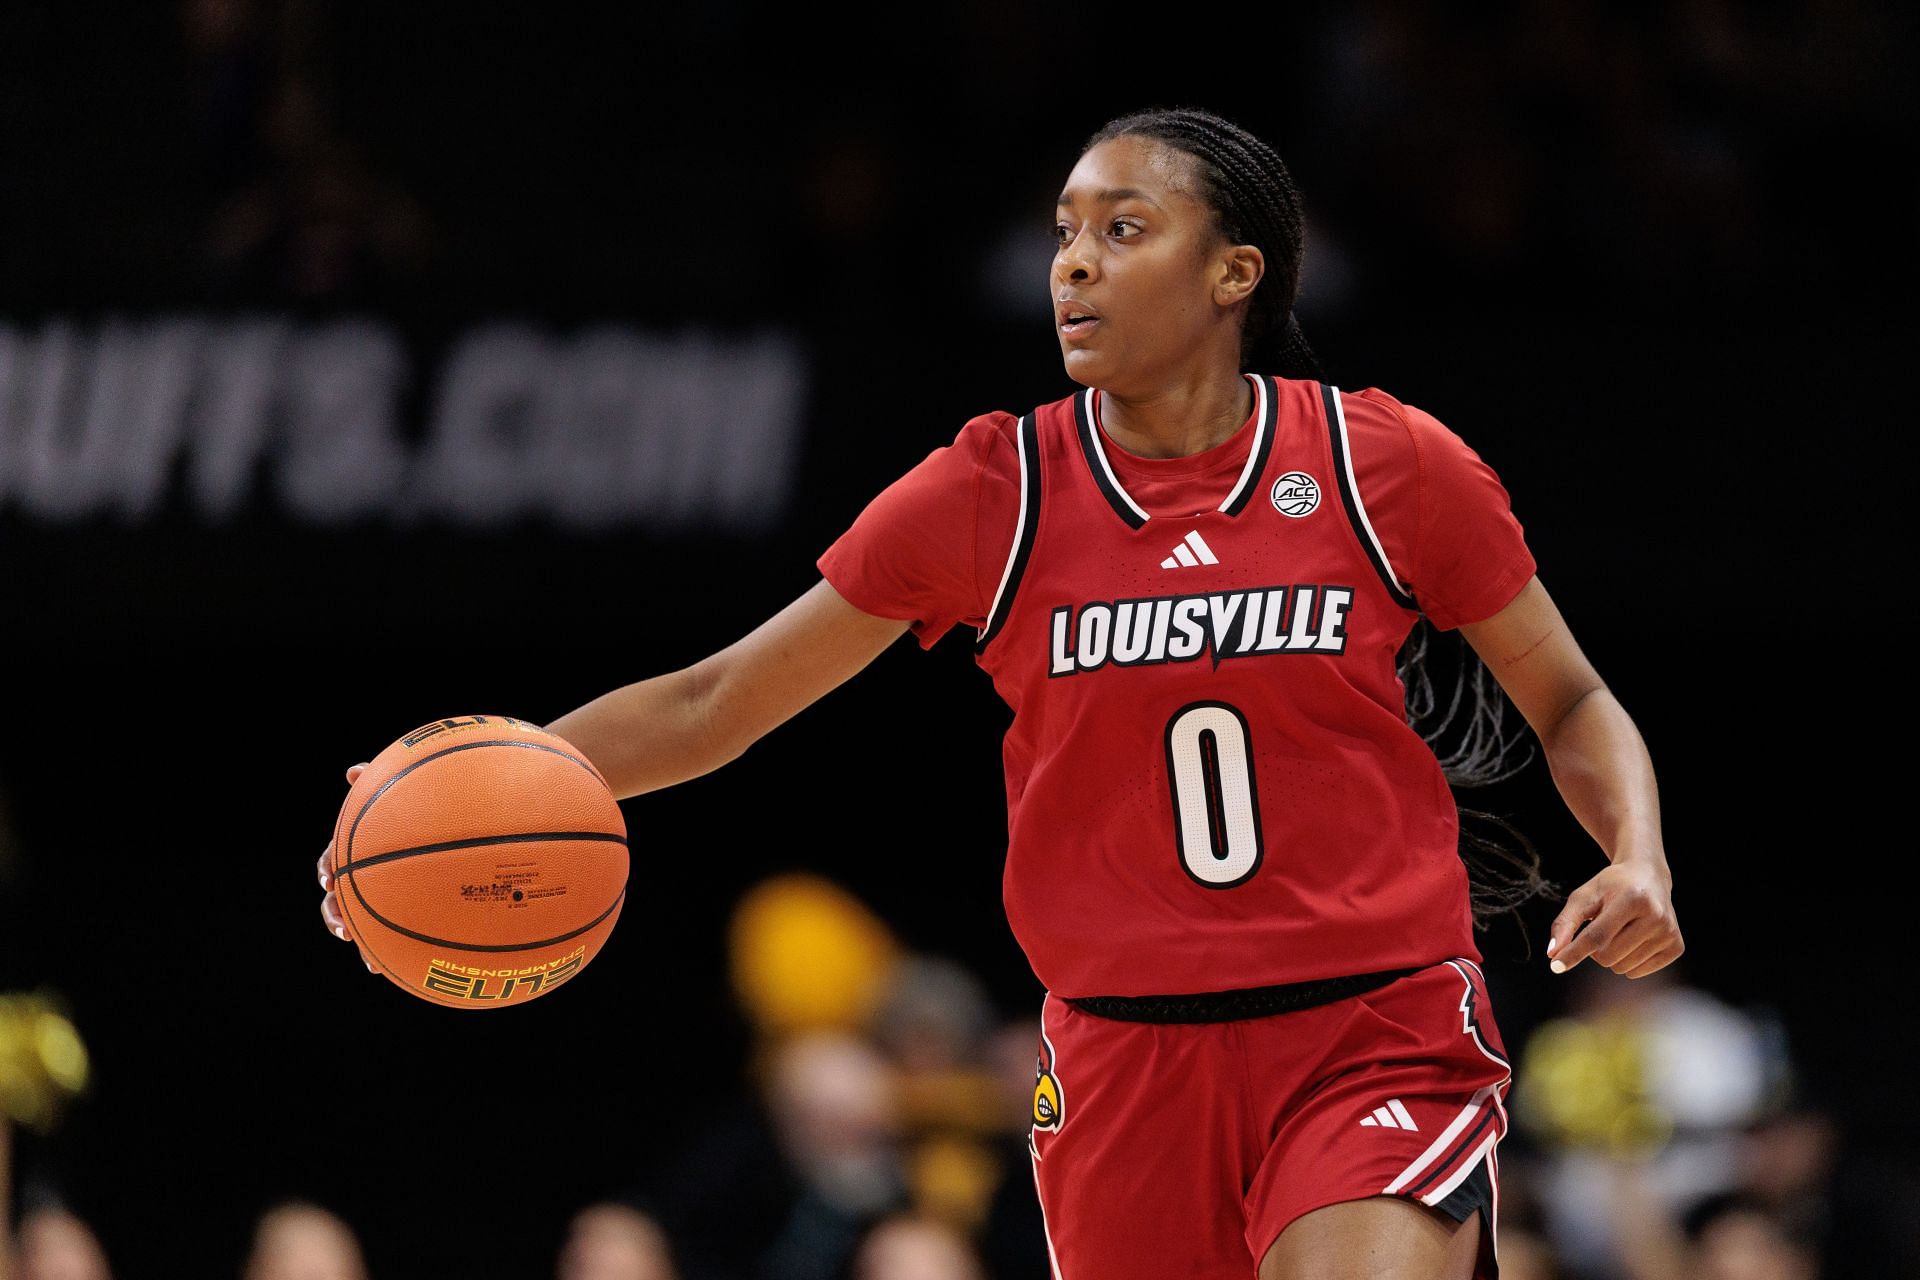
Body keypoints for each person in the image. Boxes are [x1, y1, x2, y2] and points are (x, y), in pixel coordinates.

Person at [317, 106, 1682, 1279]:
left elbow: (1566, 700)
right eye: (1064, 233)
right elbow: (713, 700)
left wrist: (1638, 856)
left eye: (1123, 230)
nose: (1075, 265)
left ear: (1234, 273)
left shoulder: (1385, 465)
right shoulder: (994, 490)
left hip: (1367, 1023)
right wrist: (452, 799)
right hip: (1122, 1059)